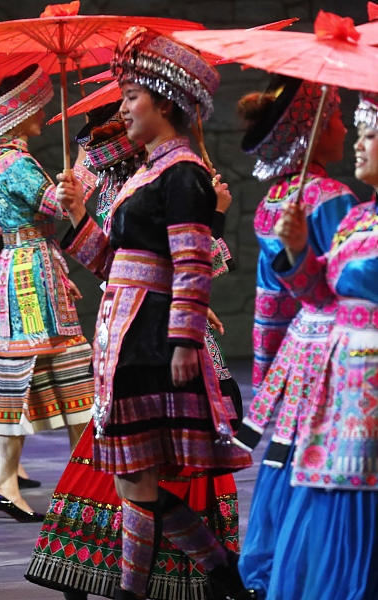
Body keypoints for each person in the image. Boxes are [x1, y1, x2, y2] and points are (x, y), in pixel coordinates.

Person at [57, 28, 253, 599]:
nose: (122, 109)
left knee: (135, 476)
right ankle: (220, 574)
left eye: (131, 98)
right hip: (123, 333)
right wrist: (77, 221)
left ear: (164, 101)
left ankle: (136, 591)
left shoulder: (183, 173)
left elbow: (192, 263)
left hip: (150, 338)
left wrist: (186, 343)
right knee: (129, 477)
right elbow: (114, 263)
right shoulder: (145, 174)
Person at [231, 77, 359, 597]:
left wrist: (267, 375)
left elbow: (270, 304)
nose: (345, 128)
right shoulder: (330, 198)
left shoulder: (274, 201)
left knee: (290, 454)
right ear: (308, 134)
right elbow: (347, 281)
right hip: (338, 345)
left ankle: (279, 564)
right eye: (334, 120)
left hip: (297, 346)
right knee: (327, 457)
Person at [263, 90, 378, 600]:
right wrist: (298, 250)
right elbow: (319, 293)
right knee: (332, 483)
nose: (358, 142)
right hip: (340, 376)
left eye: (371, 134)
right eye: (358, 129)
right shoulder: (355, 217)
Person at [0, 64, 95, 522]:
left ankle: (11, 483)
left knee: (19, 376)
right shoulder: (19, 164)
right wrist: (86, 161)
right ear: (18, 115)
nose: (42, 115)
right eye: (35, 109)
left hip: (15, 265)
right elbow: (59, 208)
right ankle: (84, 478)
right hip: (33, 273)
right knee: (63, 367)